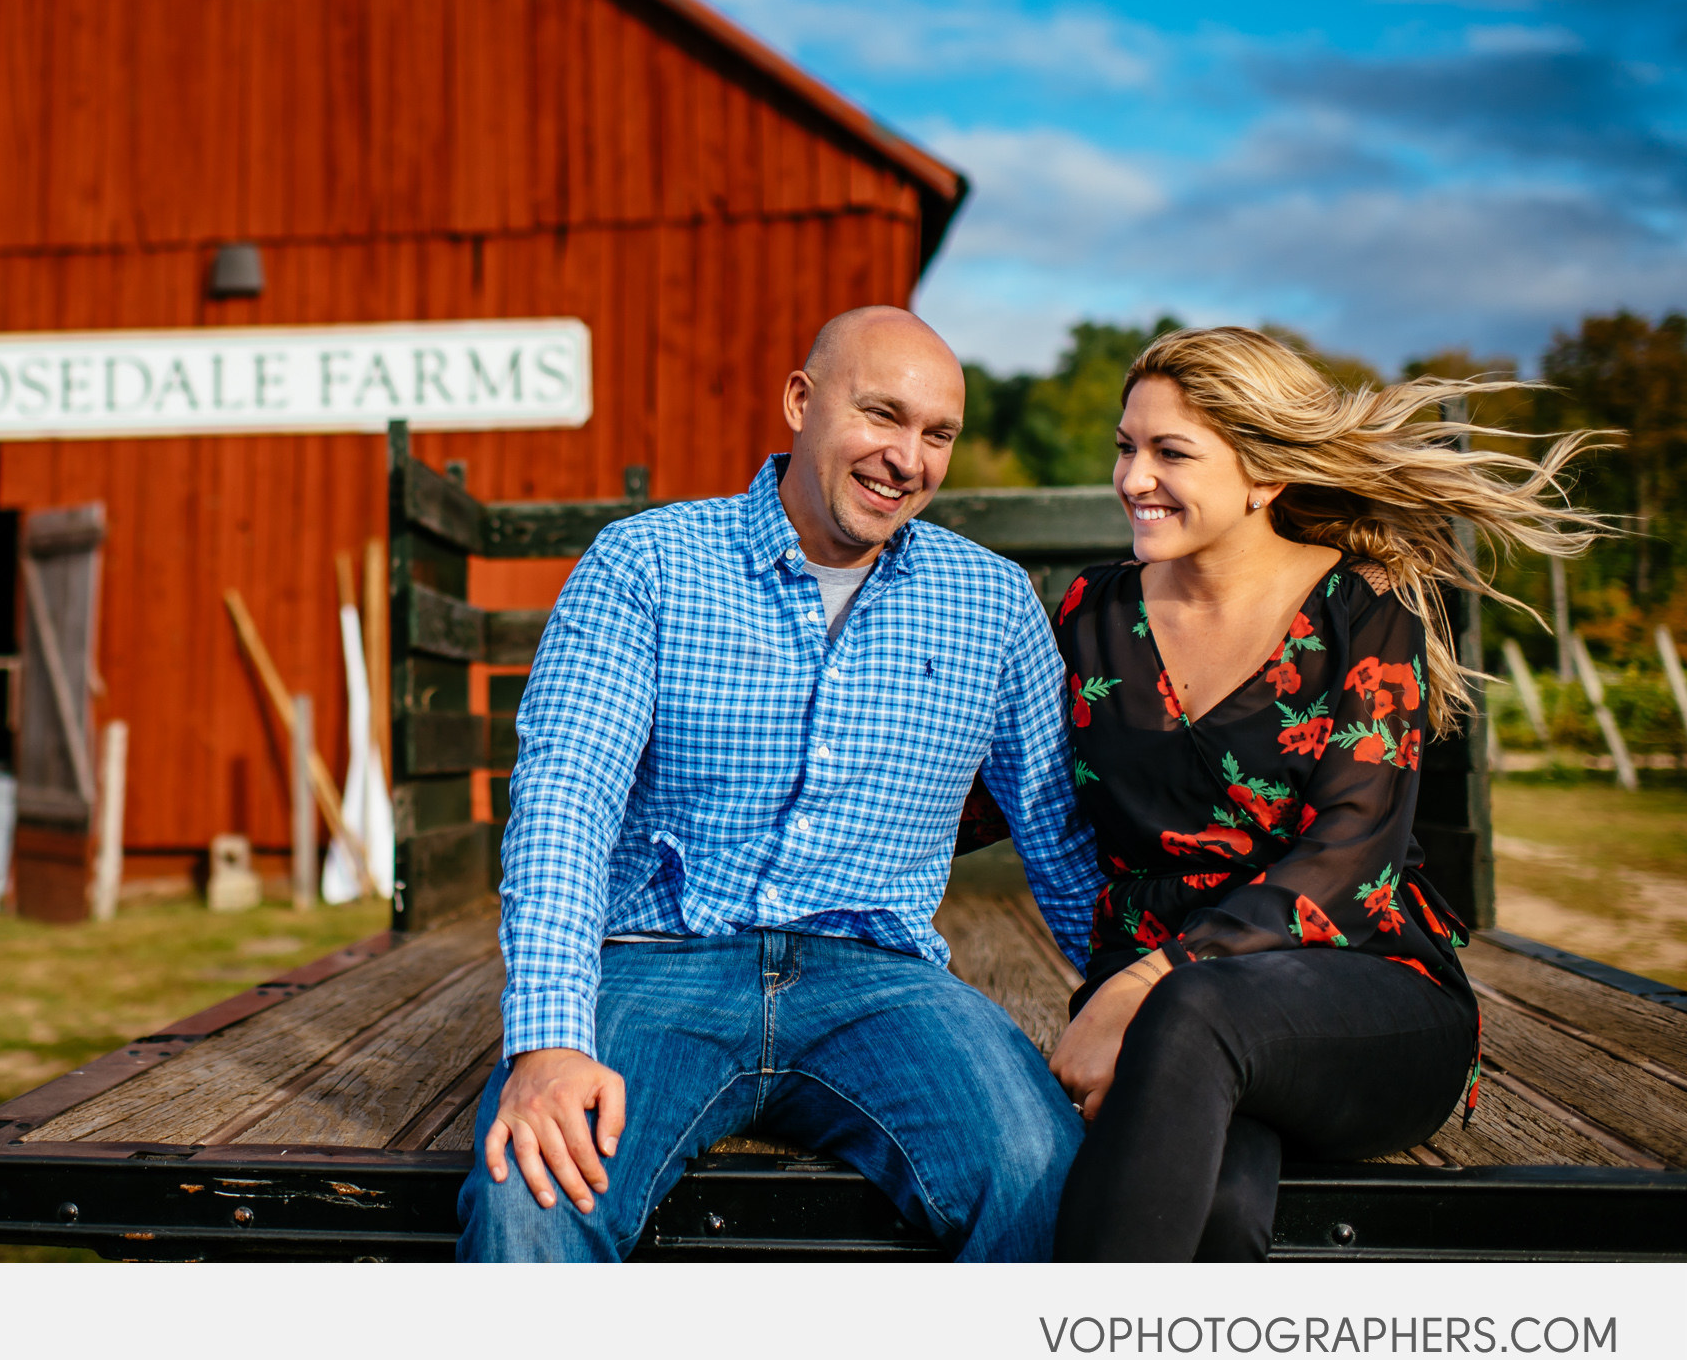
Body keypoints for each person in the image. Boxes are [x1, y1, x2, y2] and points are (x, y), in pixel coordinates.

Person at [456, 305, 1102, 1263]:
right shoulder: (647, 566)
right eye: (881, 415)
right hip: (656, 958)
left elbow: (1057, 831)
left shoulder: (993, 603)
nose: (908, 458)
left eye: (938, 435)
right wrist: (548, 1041)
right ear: (802, 402)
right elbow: (566, 801)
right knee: (533, 1188)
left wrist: (1136, 1004)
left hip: (881, 977)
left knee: (1045, 1167)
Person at [1047, 326, 1603, 1261]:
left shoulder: (1362, 605)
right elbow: (979, 789)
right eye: (1125, 445)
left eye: (1170, 451)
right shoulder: (1092, 613)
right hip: (1166, 1018)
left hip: (1361, 995)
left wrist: (1142, 983)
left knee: (1195, 1012)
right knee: (1218, 1211)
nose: (1133, 477)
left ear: (1264, 474)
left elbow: (1353, 855)